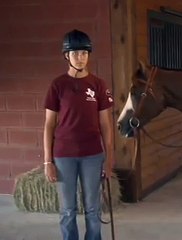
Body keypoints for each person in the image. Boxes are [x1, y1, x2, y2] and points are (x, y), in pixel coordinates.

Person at [43, 29, 114, 240]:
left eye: (84, 53)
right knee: (67, 210)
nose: (80, 58)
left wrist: (109, 157)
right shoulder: (57, 85)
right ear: (67, 56)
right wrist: (48, 161)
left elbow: (106, 124)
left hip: (92, 154)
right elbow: (48, 124)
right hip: (64, 155)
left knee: (93, 208)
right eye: (75, 53)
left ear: (89, 55)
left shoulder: (98, 85)